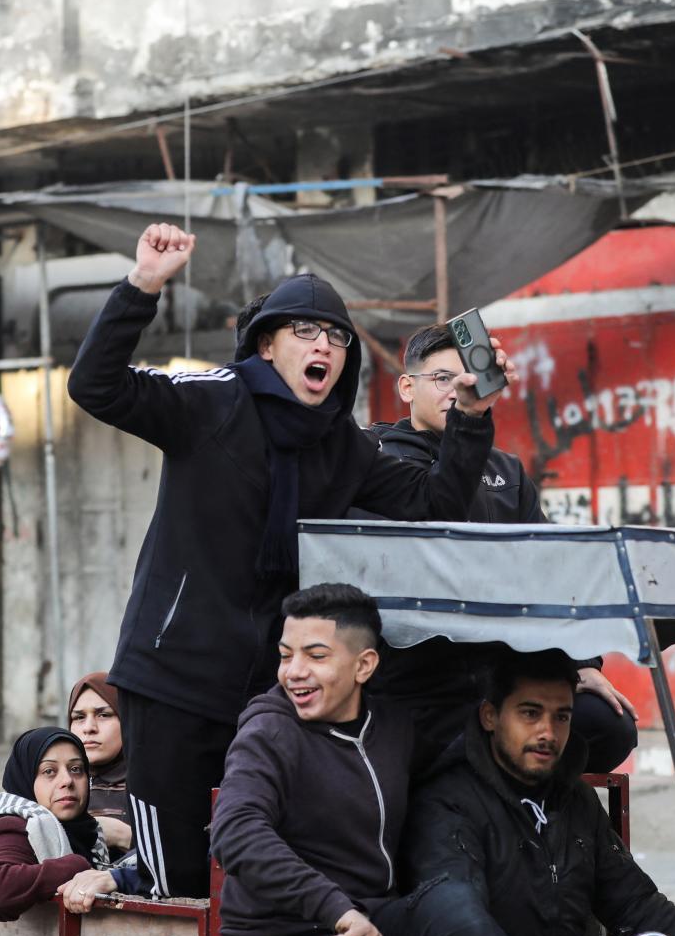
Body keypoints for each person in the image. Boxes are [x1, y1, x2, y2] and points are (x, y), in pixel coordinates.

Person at [67, 222, 520, 898]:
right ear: (267, 344)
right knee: (178, 880)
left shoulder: (344, 445)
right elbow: (95, 386)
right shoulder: (211, 400)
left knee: (256, 868)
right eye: (305, 332)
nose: (324, 347)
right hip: (172, 681)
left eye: (336, 337)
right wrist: (144, 285)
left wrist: (472, 417)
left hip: (268, 693)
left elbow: (431, 504)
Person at [210, 583, 517, 936]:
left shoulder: (394, 728)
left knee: (454, 907)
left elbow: (481, 736)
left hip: (373, 923)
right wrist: (338, 910)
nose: (294, 672)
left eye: (316, 656)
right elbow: (236, 831)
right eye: (285, 655)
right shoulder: (268, 732)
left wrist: (576, 671)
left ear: (364, 665)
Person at [362, 325, 639, 773]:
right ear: (406, 386)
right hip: (420, 681)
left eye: (467, 377)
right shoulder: (379, 463)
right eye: (441, 378)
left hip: (506, 675)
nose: (457, 389)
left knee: (610, 726)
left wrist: (581, 664)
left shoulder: (506, 471)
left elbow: (551, 569)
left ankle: (547, 823)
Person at [406, 653, 675, 936]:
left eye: (561, 717)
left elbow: (637, 904)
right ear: (490, 716)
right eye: (530, 713)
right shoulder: (447, 802)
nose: (547, 732)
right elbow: (460, 919)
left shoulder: (576, 799)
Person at [0, 727, 142, 922]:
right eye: (49, 771)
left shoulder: (90, 834)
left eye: (76, 769)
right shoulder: (15, 826)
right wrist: (76, 866)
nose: (67, 781)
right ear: (26, 778)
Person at [66, 673, 132, 858]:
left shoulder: (151, 786)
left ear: (127, 721)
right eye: (79, 717)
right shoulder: (54, 782)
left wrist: (124, 836)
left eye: (103, 714)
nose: (89, 727)